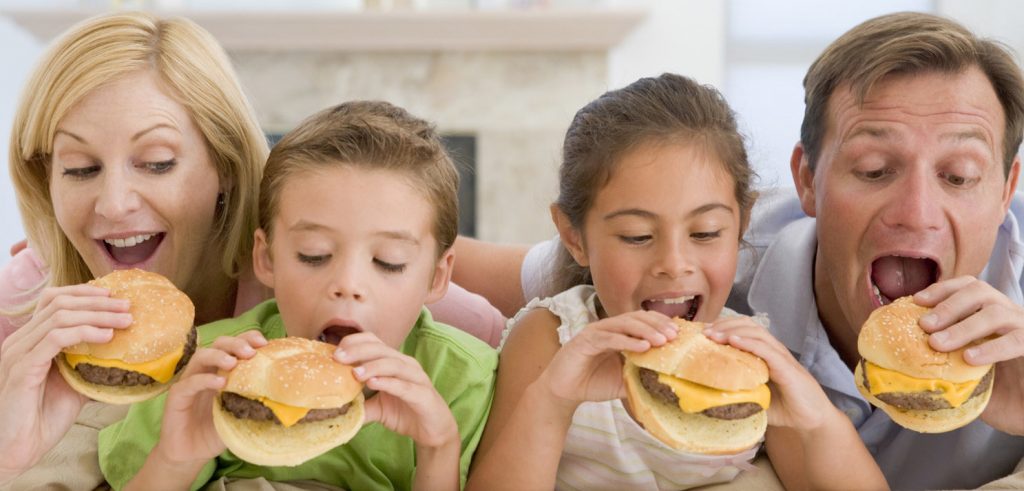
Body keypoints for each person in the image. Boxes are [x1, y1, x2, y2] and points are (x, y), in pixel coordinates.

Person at [455, 12, 1024, 490]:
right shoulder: (727, 257)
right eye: (875, 170)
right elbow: (439, 263)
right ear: (806, 180)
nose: (915, 211)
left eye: (958, 175)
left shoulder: (753, 339)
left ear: (1007, 188)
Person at [0, 12, 502, 488]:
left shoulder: (453, 348)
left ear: (226, 164)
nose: (113, 205)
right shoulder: (26, 310)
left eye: (156, 162)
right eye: (81, 169)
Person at [465, 73, 886, 491]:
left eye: (704, 233)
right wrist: (552, 400)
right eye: (637, 236)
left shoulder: (750, 359)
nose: (673, 263)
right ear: (575, 237)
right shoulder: (552, 339)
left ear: (740, 225)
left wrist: (812, 412)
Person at [97, 100, 497, 490]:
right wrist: (177, 457)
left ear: (436, 277)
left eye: (389, 262)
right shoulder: (208, 367)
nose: (348, 285)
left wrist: (438, 447)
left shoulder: (466, 379)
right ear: (267, 258)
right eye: (314, 255)